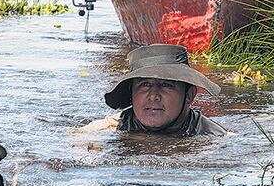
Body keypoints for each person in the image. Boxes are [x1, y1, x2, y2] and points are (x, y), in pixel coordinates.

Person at [82, 44, 227, 137]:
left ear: (189, 95)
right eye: (144, 84)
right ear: (131, 93)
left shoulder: (213, 137)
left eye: (166, 85)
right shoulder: (104, 130)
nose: (153, 96)